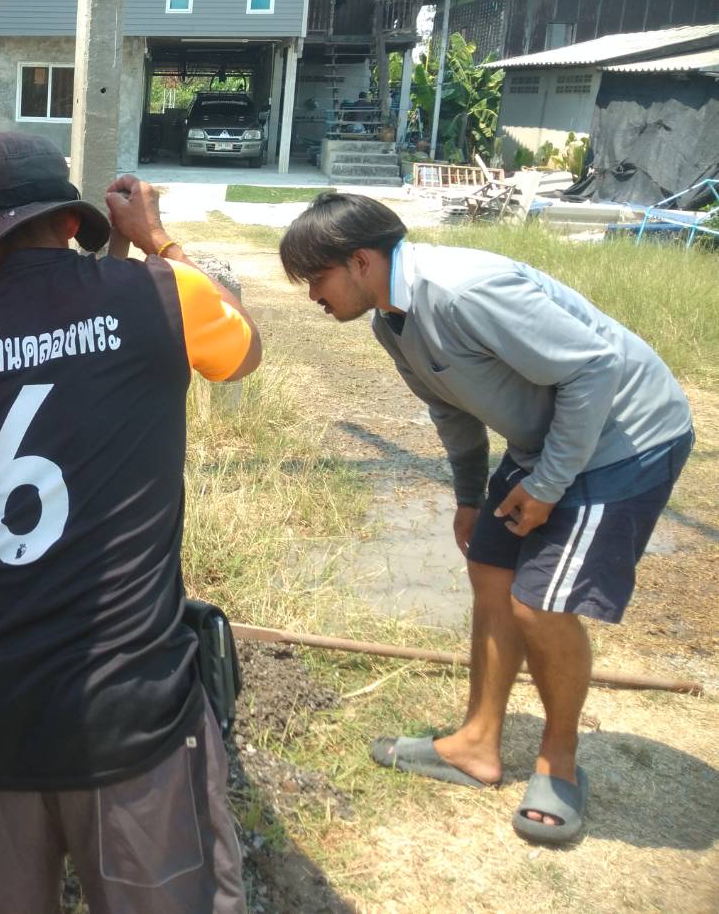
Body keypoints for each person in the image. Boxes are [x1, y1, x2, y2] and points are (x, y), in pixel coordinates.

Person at [0, 133, 260, 912]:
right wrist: (156, 241)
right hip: (128, 709)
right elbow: (243, 351)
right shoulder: (164, 293)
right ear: (70, 223)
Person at [279, 193, 693, 844]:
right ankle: (476, 743)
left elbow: (594, 368)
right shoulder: (392, 321)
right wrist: (469, 497)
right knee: (491, 573)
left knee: (539, 606)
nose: (312, 297)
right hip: (547, 443)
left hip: (624, 439)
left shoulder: (463, 291)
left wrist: (548, 486)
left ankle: (558, 763)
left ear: (359, 261)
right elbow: (451, 410)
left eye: (315, 279)